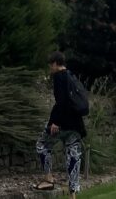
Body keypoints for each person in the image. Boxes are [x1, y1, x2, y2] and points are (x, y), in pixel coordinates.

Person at [35, 51, 86, 195]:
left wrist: (55, 122)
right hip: (76, 125)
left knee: (42, 145)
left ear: (56, 64)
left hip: (62, 124)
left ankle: (48, 179)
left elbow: (61, 102)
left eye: (51, 65)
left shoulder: (59, 77)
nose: (50, 68)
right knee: (73, 157)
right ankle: (73, 195)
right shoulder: (72, 76)